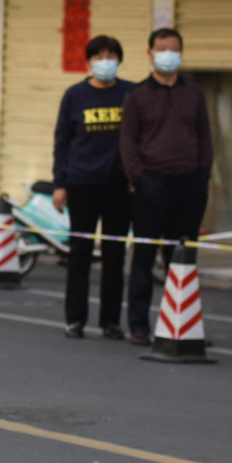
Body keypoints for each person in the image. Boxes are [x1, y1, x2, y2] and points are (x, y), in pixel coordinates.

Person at [120, 28, 213, 346]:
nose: (168, 55)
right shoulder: (137, 96)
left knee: (184, 259)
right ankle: (139, 326)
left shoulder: (194, 92)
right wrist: (139, 179)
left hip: (189, 184)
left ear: (181, 53)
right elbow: (128, 144)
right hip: (151, 184)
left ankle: (185, 326)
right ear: (150, 54)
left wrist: (202, 176)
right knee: (144, 258)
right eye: (162, 50)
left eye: (174, 49)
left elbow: (205, 138)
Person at [51, 35, 135, 340]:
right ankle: (75, 319)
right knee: (79, 255)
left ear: (119, 60)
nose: (105, 62)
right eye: (99, 57)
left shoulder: (130, 93)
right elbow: (62, 142)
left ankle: (110, 322)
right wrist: (60, 184)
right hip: (82, 184)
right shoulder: (75, 95)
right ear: (88, 61)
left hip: (119, 187)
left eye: (111, 56)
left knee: (114, 256)